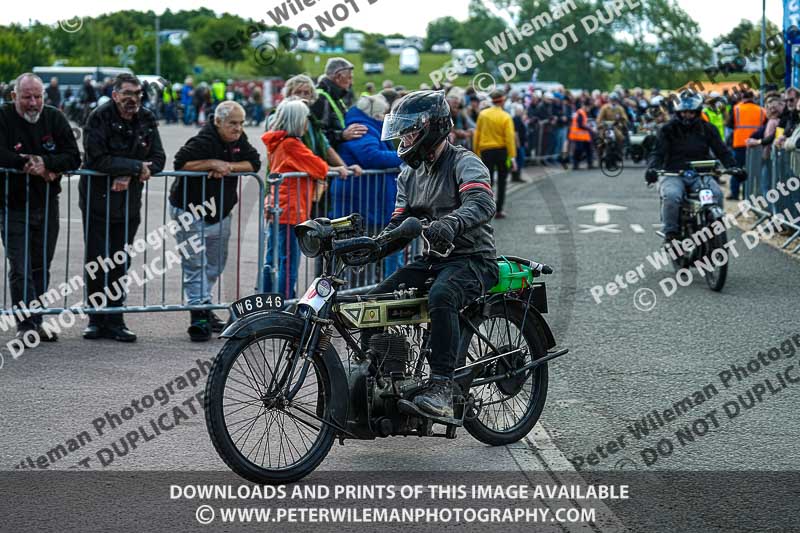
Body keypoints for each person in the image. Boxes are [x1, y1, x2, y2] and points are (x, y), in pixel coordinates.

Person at [368, 90, 499, 420]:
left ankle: (443, 386)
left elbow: (482, 203)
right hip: (435, 258)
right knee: (374, 301)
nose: (405, 137)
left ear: (432, 128)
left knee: (442, 296)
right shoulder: (409, 174)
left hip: (473, 257)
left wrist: (453, 222)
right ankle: (382, 378)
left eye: (410, 130)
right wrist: (371, 246)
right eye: (403, 130)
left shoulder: (464, 162)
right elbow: (399, 224)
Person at [80, 73, 166, 342]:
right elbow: (96, 158)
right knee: (97, 259)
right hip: (98, 200)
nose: (133, 99)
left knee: (120, 259)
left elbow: (159, 158)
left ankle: (115, 318)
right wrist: (133, 166)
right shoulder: (99, 117)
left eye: (138, 94)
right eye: (127, 94)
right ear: (115, 94)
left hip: (128, 202)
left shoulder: (147, 118)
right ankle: (96, 319)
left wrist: (131, 172)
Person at [0, 73, 81, 340]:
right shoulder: (4, 117)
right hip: (12, 205)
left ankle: (37, 318)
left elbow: (73, 156)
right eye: (27, 97)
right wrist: (26, 164)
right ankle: (25, 325)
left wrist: (47, 164)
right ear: (14, 97)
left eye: (37, 96)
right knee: (20, 267)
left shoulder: (53, 118)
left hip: (46, 205)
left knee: (40, 266)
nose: (33, 103)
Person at [171, 101, 261, 341]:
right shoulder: (203, 140)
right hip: (189, 211)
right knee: (194, 264)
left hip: (220, 212)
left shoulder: (238, 141)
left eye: (241, 123)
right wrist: (211, 163)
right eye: (233, 123)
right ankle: (198, 315)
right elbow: (180, 163)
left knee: (215, 264)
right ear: (218, 121)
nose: (238, 128)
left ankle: (204, 305)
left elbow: (255, 163)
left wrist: (228, 166)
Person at [261, 99, 346, 298]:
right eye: (305, 119)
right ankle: (283, 301)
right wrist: (338, 168)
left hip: (280, 206)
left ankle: (269, 297)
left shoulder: (278, 142)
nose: (307, 124)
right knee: (288, 261)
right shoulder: (291, 144)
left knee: (273, 258)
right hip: (290, 209)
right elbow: (318, 166)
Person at [645, 90, 741, 244]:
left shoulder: (708, 128)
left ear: (698, 112)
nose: (687, 116)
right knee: (672, 196)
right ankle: (671, 234)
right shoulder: (667, 129)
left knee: (716, 194)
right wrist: (652, 169)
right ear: (678, 112)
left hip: (701, 174)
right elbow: (657, 153)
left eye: (691, 112)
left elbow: (722, 151)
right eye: (683, 112)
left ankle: (714, 233)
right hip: (672, 174)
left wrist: (734, 167)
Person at [334, 94, 405, 277]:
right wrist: (405, 156)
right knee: (360, 255)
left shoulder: (366, 127)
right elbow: (371, 156)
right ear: (374, 113)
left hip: (368, 201)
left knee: (365, 253)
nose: (384, 118)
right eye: (382, 114)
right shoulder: (363, 129)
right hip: (362, 203)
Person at [473, 89, 516, 219]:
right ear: (502, 101)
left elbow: (477, 134)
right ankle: (499, 209)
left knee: (487, 181)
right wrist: (512, 156)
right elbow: (509, 138)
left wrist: (476, 152)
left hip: (486, 150)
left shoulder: (483, 115)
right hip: (502, 150)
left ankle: (486, 209)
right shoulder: (506, 116)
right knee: (502, 181)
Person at [310, 57, 366, 150]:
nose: (352, 82)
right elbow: (318, 135)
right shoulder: (320, 99)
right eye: (349, 78)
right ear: (338, 77)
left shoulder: (334, 97)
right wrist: (342, 135)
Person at [728, 90, 765, 200]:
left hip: (739, 143)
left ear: (742, 97)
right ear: (753, 98)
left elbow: (729, 124)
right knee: (752, 171)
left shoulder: (736, 108)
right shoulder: (761, 110)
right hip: (756, 145)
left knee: (737, 169)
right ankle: (747, 195)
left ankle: (734, 193)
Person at [568, 99, 593, 170]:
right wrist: (589, 129)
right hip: (578, 135)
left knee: (588, 149)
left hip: (584, 135)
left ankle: (589, 164)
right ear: (585, 106)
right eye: (589, 107)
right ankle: (575, 164)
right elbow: (580, 125)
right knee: (579, 150)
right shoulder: (580, 113)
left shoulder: (583, 112)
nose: (589, 109)